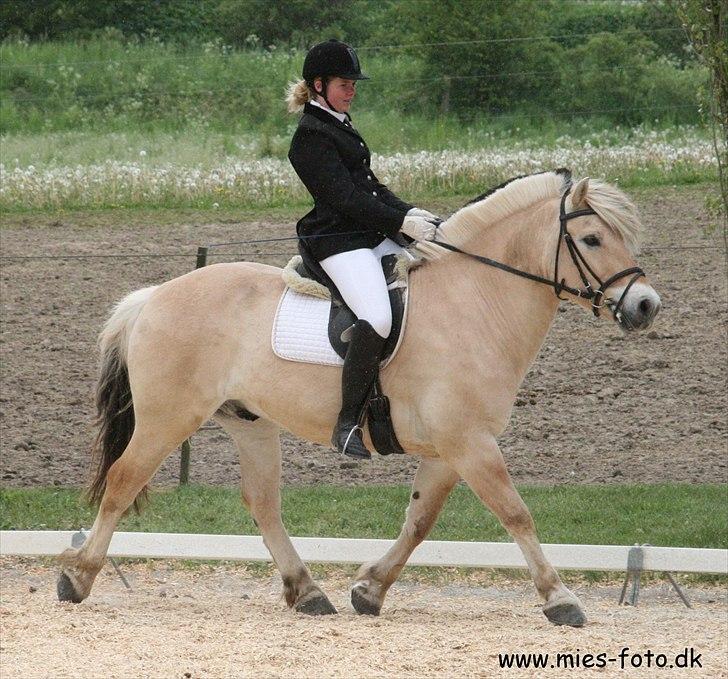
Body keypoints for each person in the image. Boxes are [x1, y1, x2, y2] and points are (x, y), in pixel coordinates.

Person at [287, 38, 439, 460]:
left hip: (367, 233)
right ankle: (348, 421)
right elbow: (344, 199)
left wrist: (413, 214)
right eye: (344, 83)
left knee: (435, 267)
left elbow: (370, 187)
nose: (352, 89)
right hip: (336, 241)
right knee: (377, 317)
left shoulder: (339, 121)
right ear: (318, 84)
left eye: (354, 83)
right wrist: (398, 223)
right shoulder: (309, 138)